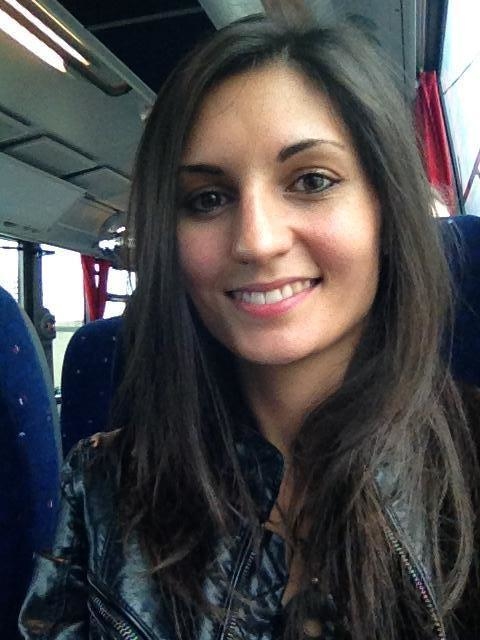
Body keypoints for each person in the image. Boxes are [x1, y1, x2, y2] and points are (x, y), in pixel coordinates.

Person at [19, 14, 480, 640]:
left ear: (385, 210)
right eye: (208, 199)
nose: (257, 241)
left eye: (311, 181)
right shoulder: (102, 491)